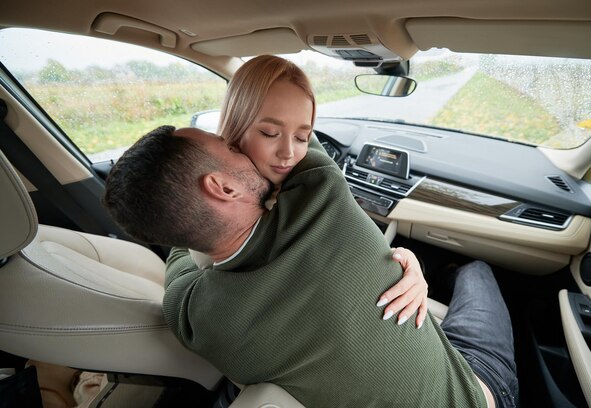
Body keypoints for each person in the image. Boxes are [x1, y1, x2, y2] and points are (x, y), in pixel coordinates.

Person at [103, 125, 518, 407]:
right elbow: (281, 103)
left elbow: (181, 255)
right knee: (476, 270)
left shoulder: (191, 317)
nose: (243, 149)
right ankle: (448, 270)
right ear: (224, 187)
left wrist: (190, 224)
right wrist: (411, 270)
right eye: (231, 147)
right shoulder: (321, 199)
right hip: (477, 390)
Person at [191, 55, 429, 328]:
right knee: (476, 273)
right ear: (234, 126)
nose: (289, 153)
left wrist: (406, 264)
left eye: (303, 137)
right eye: (270, 133)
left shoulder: (296, 188)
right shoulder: (234, 218)